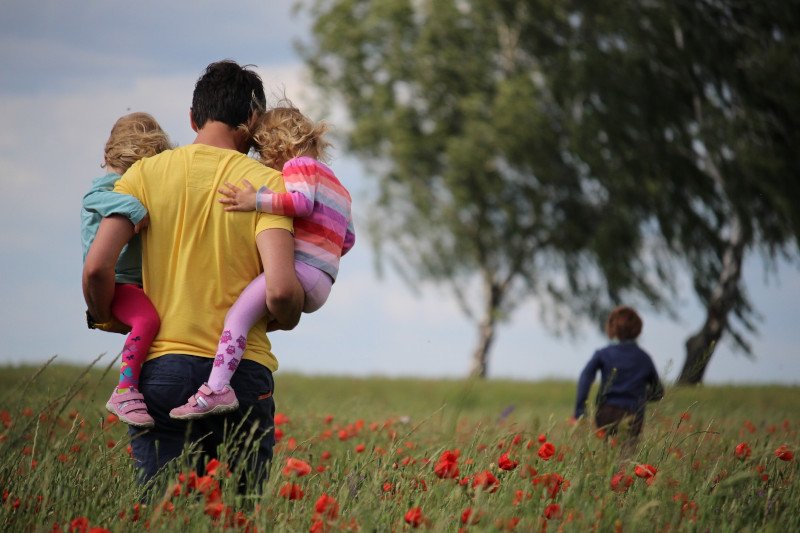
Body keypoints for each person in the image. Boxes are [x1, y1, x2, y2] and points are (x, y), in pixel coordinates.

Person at [82, 60, 304, 490]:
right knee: (238, 514)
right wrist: (288, 314)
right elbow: (279, 290)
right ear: (253, 120)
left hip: (161, 370)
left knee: (165, 511)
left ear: (192, 117)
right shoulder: (267, 185)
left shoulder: (143, 175)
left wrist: (106, 314)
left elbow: (96, 266)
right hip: (242, 375)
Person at [169, 105, 355, 420]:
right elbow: (347, 239)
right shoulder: (339, 186)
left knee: (236, 318)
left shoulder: (298, 165)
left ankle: (216, 389)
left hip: (301, 271)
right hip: (323, 281)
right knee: (253, 317)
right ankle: (225, 377)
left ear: (277, 145)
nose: (265, 163)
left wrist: (254, 200)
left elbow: (300, 203)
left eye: (263, 153)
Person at [81, 112, 171, 428]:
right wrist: (135, 209)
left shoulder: (126, 184)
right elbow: (94, 198)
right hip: (118, 282)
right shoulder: (110, 186)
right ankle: (125, 389)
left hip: (133, 282)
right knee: (147, 320)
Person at [573, 306, 664, 445]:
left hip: (606, 412)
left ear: (611, 328)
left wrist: (580, 411)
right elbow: (658, 392)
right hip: (633, 413)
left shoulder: (603, 354)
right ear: (637, 330)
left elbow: (585, 378)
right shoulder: (644, 358)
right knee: (627, 456)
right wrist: (640, 396)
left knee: (607, 454)